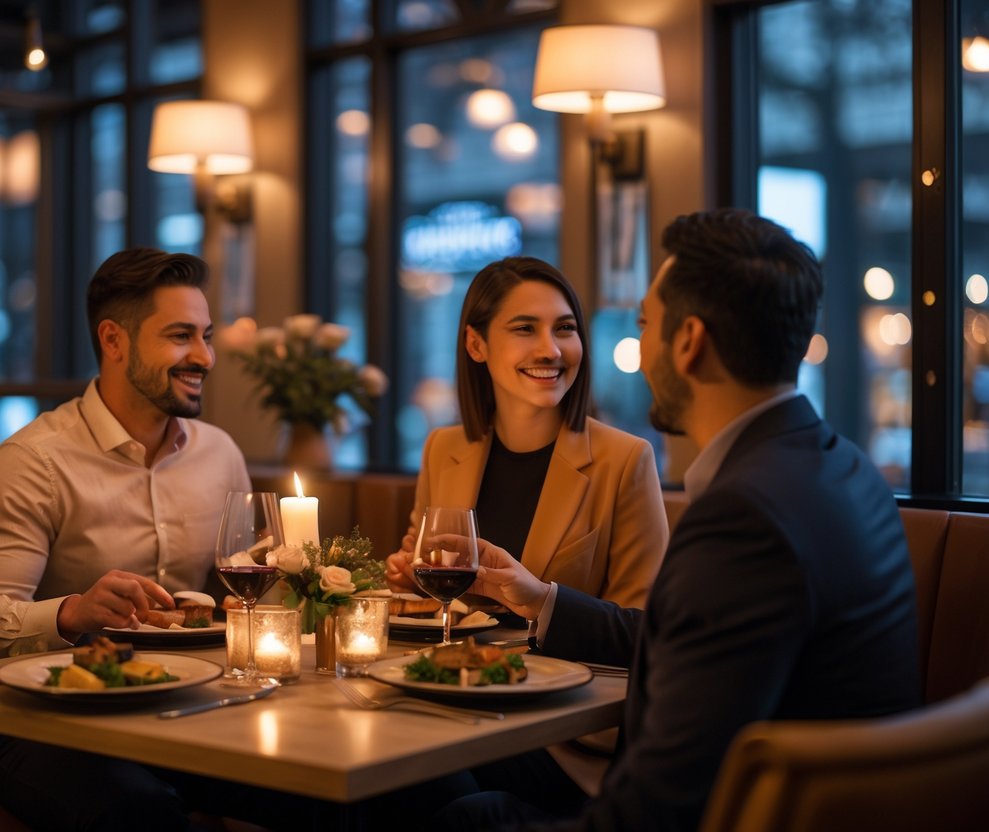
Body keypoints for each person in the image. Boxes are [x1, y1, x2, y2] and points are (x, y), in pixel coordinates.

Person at [439, 209, 921, 832]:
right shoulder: (845, 467)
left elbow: (656, 809)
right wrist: (540, 599)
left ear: (688, 341)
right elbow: (684, 638)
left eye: (645, 324)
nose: (637, 349)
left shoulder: (743, 519)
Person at [0, 248, 251, 830]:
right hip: (47, 723)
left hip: (186, 707)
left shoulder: (220, 454)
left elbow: (253, 589)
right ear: (113, 340)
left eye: (206, 336)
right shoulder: (34, 460)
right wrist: (72, 612)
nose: (204, 356)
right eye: (180, 336)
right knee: (140, 812)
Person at [385, 256, 668, 615]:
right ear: (476, 344)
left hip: (567, 656)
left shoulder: (626, 460)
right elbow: (438, 592)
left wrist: (543, 599)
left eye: (564, 328)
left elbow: (643, 624)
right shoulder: (442, 448)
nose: (550, 350)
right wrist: (412, 582)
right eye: (525, 329)